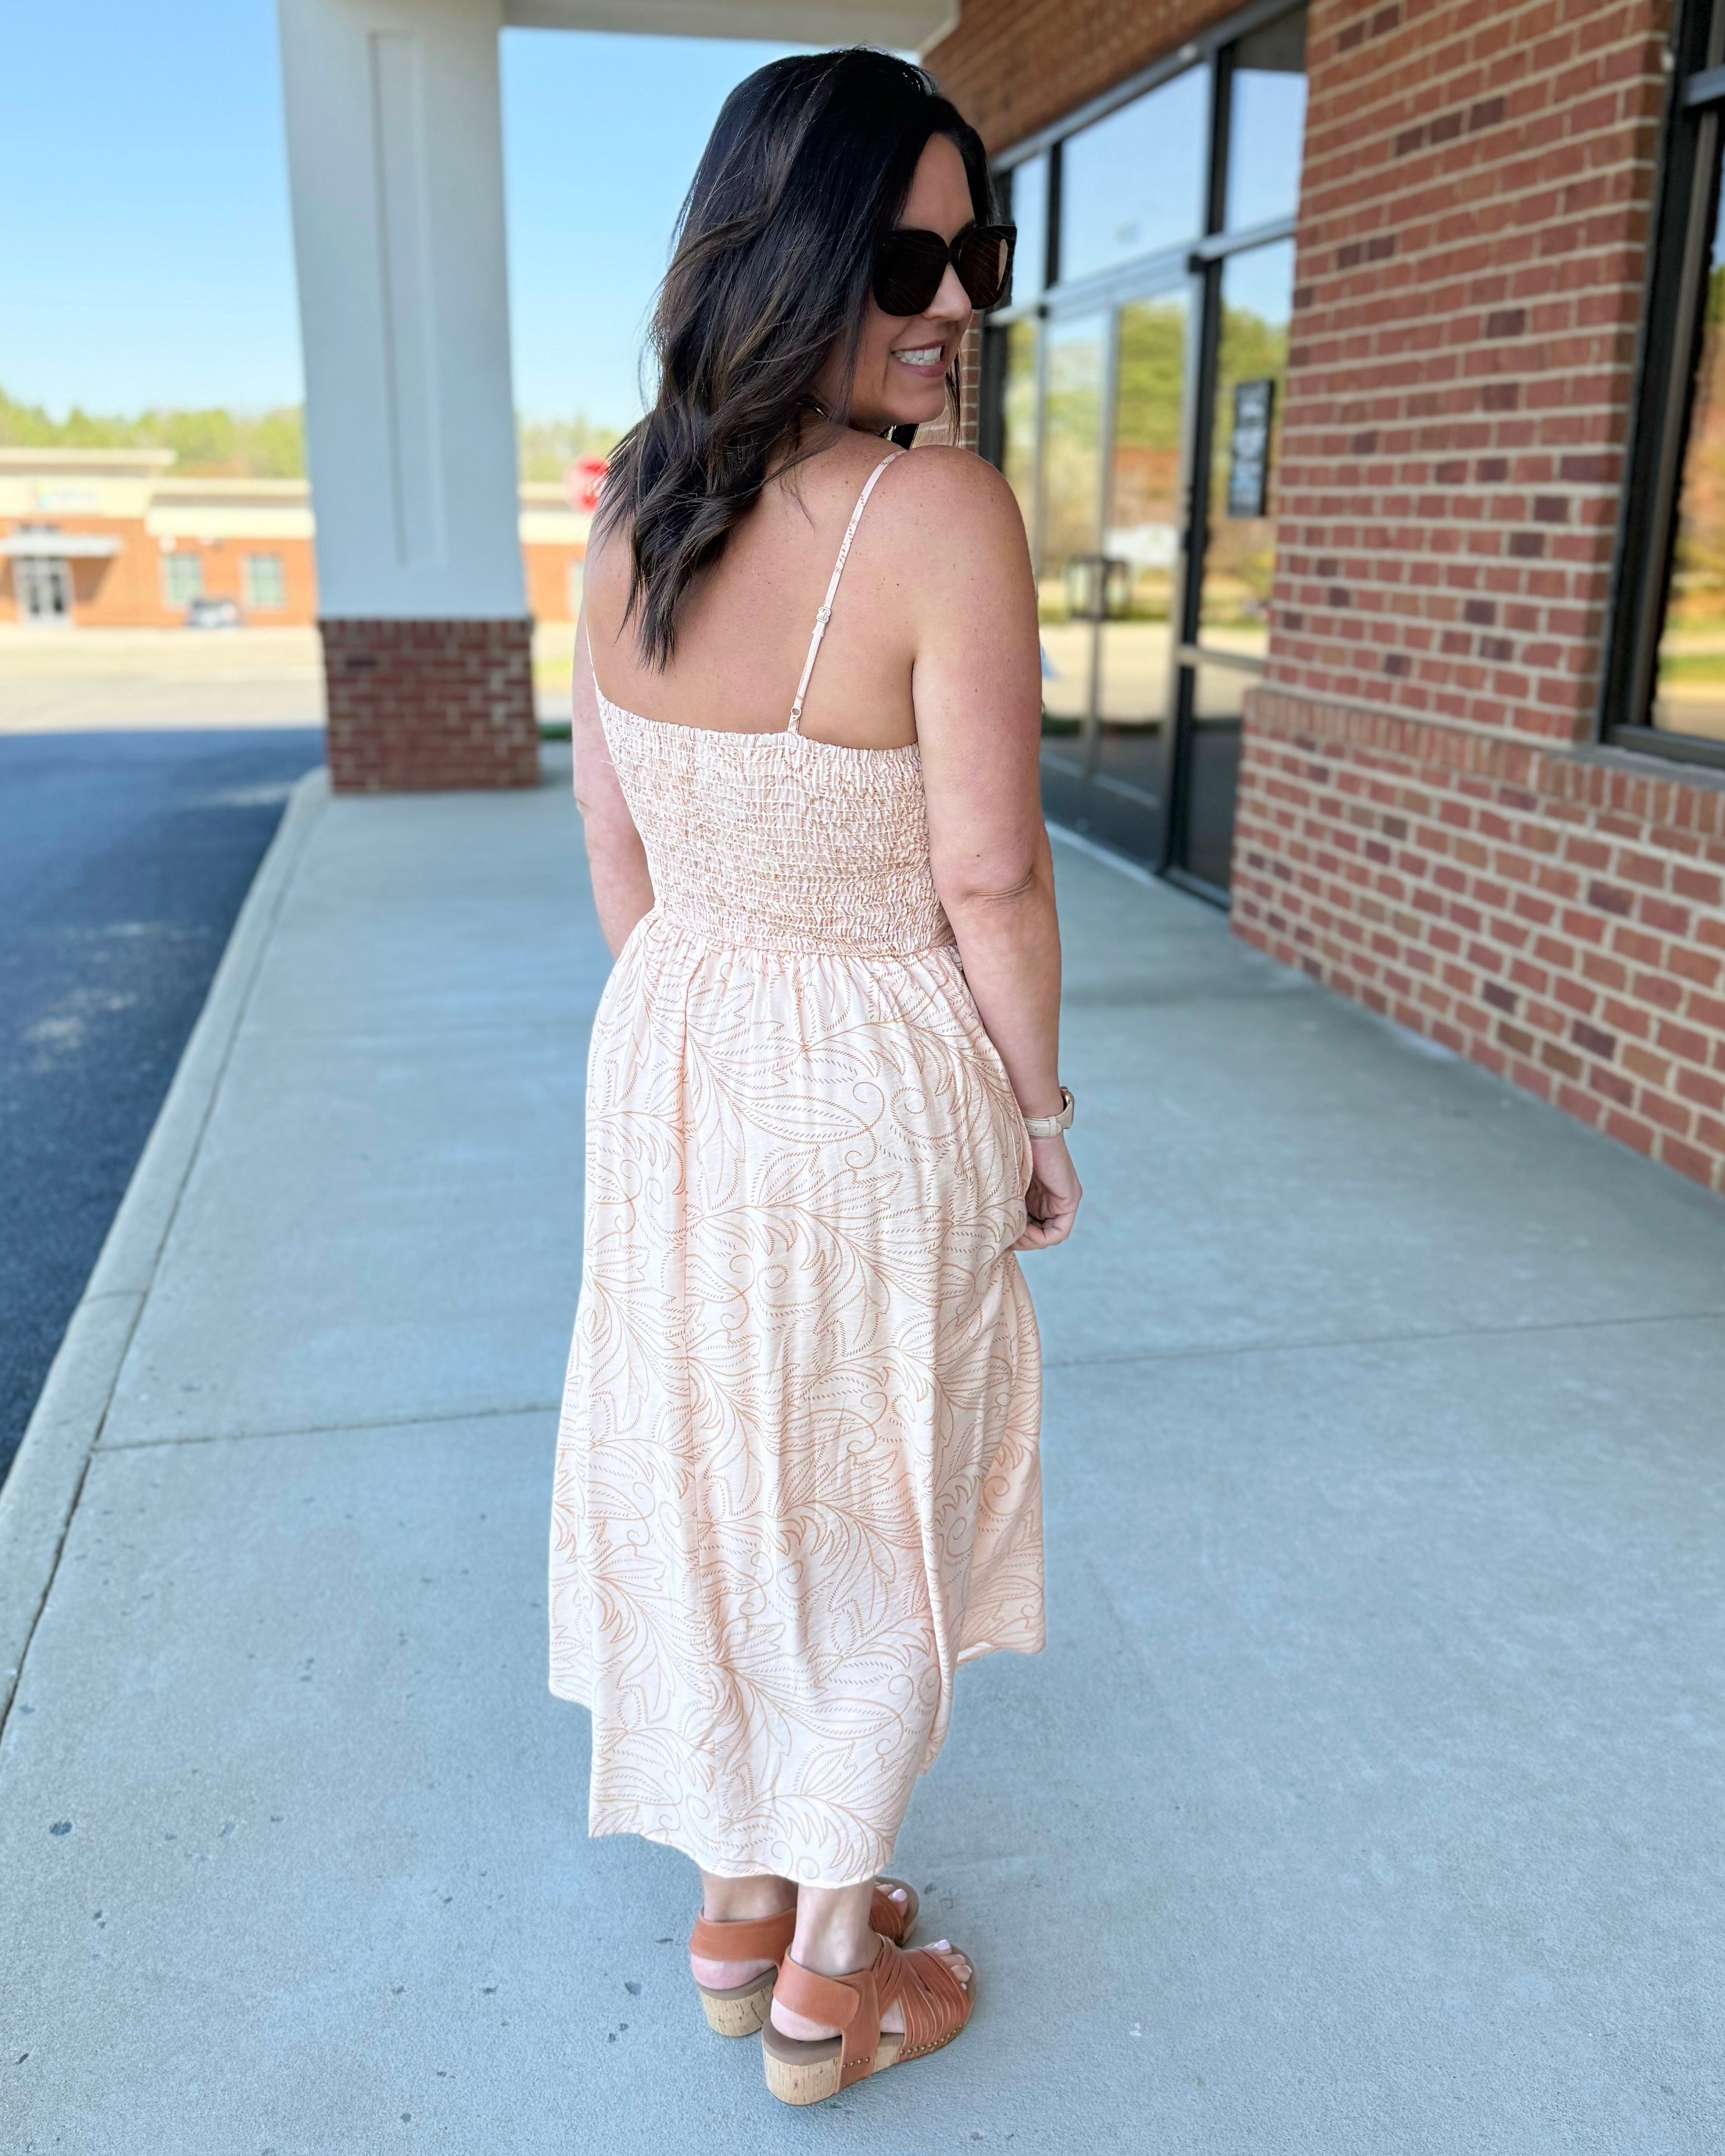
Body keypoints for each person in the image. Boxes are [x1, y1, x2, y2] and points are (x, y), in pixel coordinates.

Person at [548, 46, 1080, 2107]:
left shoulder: (633, 500)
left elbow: (614, 842)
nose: (956, 300)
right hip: (871, 1054)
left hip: (668, 1042)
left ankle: (734, 1901)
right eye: (908, 254)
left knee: (709, 1475)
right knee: (866, 1497)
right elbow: (988, 871)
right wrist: (1033, 1116)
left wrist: (701, 1032)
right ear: (786, 251)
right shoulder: (937, 513)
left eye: (980, 254)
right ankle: (831, 1981)